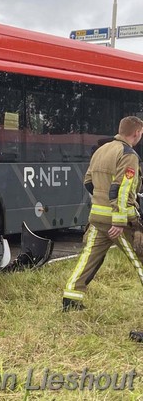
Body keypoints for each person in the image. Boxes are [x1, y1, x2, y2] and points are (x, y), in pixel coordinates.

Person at [62, 116, 143, 311]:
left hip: (97, 217)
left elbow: (88, 181)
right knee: (139, 258)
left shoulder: (101, 150)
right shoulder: (128, 154)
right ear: (137, 133)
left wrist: (101, 200)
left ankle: (71, 298)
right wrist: (119, 220)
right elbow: (122, 190)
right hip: (118, 221)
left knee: (88, 258)